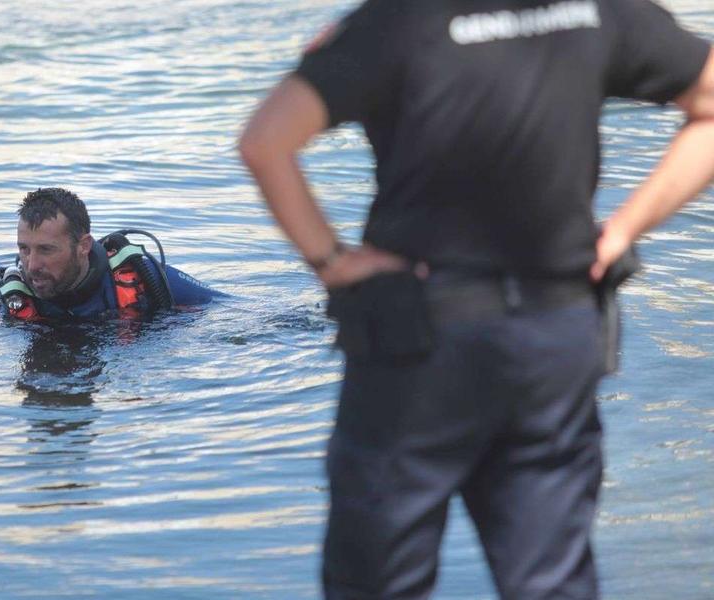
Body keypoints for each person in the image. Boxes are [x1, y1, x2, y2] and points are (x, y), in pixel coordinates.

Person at [239, 1, 713, 598]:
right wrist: (623, 228)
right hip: (556, 329)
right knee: (553, 579)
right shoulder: (596, 9)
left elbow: (264, 142)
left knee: (376, 579)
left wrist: (331, 260)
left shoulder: (397, 21)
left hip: (420, 337)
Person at [0, 187, 222, 320]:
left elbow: (226, 309)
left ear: (84, 246)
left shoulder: (145, 277)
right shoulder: (16, 297)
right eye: (24, 249)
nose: (31, 266)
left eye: (46, 249)